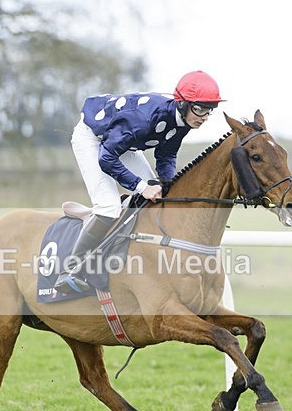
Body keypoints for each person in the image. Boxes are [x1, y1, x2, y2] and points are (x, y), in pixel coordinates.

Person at [54, 70, 224, 293]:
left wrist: (167, 184)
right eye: (200, 109)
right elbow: (106, 158)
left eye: (209, 111)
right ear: (182, 103)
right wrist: (142, 187)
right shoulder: (143, 119)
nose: (204, 117)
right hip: (93, 140)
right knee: (109, 207)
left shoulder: (183, 121)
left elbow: (166, 155)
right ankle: (70, 270)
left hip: (124, 144)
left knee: (161, 195)